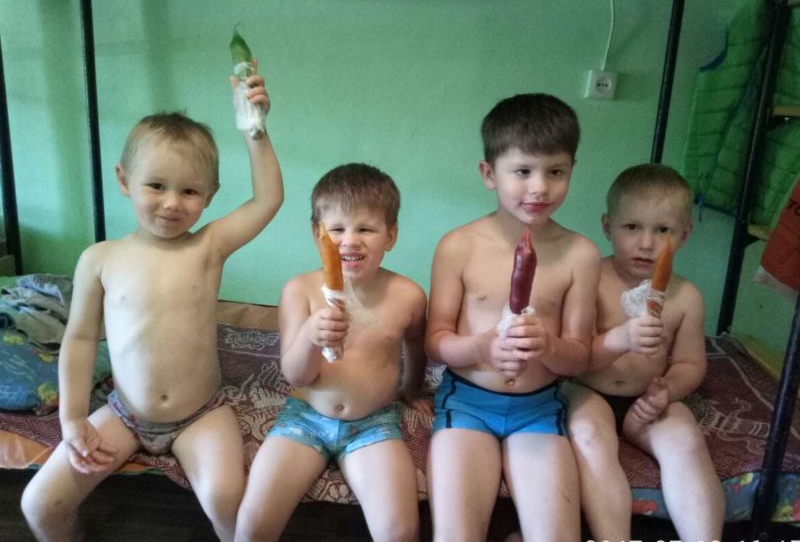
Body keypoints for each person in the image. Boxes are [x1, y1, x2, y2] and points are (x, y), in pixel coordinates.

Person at [20, 66, 283, 542]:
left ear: (210, 196)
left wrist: (254, 127)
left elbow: (267, 200)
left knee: (229, 502)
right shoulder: (100, 258)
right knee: (39, 504)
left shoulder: (207, 247)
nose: (172, 203)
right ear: (124, 180)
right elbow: (80, 339)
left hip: (202, 413)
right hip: (124, 413)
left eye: (189, 190)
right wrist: (72, 419)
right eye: (156, 185)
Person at [425, 93, 601, 542]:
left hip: (538, 409)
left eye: (555, 172)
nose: (539, 187)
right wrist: (482, 347)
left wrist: (549, 346)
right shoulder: (458, 246)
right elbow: (436, 341)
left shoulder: (581, 255)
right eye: (522, 171)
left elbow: (579, 358)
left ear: (572, 170)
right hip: (467, 404)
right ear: (489, 174)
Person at [235, 163, 431, 542]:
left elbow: (415, 345)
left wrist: (412, 388)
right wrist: (311, 335)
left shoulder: (408, 296)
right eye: (337, 229)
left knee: (400, 532)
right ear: (317, 234)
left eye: (366, 229)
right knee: (252, 525)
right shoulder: (299, 291)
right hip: (305, 417)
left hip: (374, 422)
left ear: (391, 236)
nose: (350, 241)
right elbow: (295, 375)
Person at [566, 163, 725, 541]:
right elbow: (574, 358)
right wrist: (620, 339)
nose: (646, 243)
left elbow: (689, 362)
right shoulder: (590, 281)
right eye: (632, 227)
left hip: (648, 398)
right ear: (608, 227)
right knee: (589, 436)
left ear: (685, 233)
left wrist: (667, 390)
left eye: (662, 230)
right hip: (587, 388)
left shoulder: (686, 297)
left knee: (685, 439)